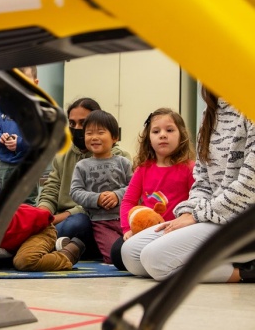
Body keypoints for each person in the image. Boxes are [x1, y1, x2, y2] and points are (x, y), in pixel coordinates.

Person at [121, 87, 255, 283]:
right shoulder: (210, 112)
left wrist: (196, 216)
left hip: (243, 221)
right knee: (131, 254)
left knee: (155, 260)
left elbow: (249, 185)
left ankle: (244, 272)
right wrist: (188, 212)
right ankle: (226, 262)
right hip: (214, 216)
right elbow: (202, 180)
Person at [38, 98, 131, 259]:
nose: (77, 129)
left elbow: (134, 189)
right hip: (63, 221)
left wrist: (63, 216)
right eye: (72, 124)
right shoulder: (62, 156)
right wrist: (42, 216)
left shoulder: (121, 158)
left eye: (83, 123)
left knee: (78, 222)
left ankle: (52, 247)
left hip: (94, 218)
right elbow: (50, 192)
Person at [111, 108, 195, 269]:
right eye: (156, 131)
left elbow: (195, 202)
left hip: (175, 230)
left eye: (169, 130)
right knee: (116, 252)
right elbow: (128, 201)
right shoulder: (143, 169)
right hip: (146, 230)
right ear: (149, 139)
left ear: (181, 135)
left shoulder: (189, 168)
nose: (163, 135)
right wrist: (127, 229)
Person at [70, 110, 133, 264]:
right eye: (89, 133)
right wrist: (96, 199)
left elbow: (134, 187)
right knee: (115, 257)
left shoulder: (123, 162)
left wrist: (117, 195)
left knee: (135, 249)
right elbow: (75, 191)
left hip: (126, 219)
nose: (94, 137)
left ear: (114, 137)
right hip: (101, 222)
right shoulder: (82, 165)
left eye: (100, 132)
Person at [0, 66, 39, 205]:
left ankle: (28, 226)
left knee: (27, 202)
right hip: (5, 165)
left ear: (35, 83)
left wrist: (21, 143)